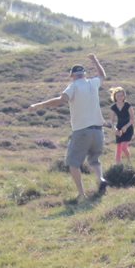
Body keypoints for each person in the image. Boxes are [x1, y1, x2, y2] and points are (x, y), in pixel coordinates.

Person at [28, 54, 108, 199]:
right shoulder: (93, 83)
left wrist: (39, 105)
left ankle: (81, 194)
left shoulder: (74, 86)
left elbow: (61, 100)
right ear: (84, 74)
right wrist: (95, 60)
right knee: (94, 160)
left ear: (72, 76)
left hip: (82, 130)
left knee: (73, 163)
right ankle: (100, 179)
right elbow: (103, 75)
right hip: (98, 131)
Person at [109, 86, 135, 163]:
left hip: (128, 128)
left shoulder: (128, 105)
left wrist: (126, 127)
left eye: (121, 95)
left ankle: (129, 162)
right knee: (119, 148)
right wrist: (115, 129)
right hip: (119, 128)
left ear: (124, 96)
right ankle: (118, 167)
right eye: (118, 96)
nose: (120, 97)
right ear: (115, 97)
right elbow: (112, 121)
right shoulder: (113, 107)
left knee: (124, 146)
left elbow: (132, 119)